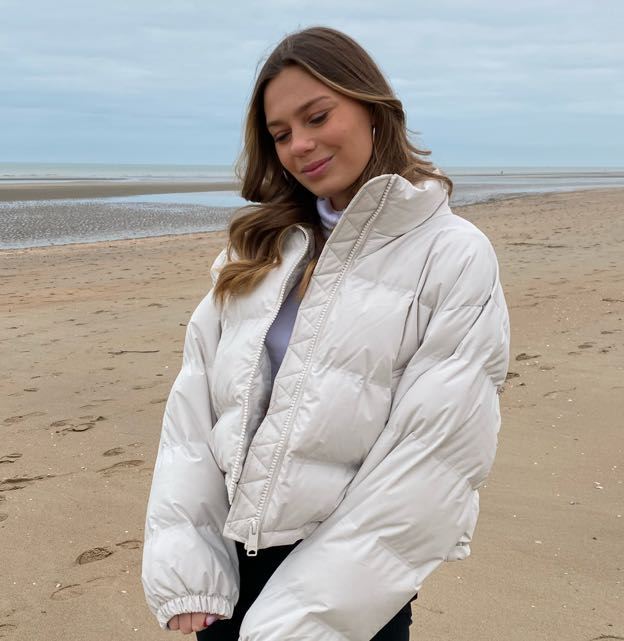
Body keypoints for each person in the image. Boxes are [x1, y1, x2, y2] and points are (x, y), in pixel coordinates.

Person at [141, 26, 510, 640]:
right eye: (281, 134)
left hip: (352, 591)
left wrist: (301, 620)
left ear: (372, 108)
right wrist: (190, 565)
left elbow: (433, 456)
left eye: (317, 117)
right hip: (227, 583)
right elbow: (193, 413)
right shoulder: (257, 250)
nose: (300, 145)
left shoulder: (451, 254)